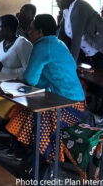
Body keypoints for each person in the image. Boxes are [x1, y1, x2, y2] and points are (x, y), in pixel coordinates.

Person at [6, 14, 85, 171]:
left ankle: (44, 160)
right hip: (75, 100)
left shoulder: (42, 45)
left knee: (36, 118)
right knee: (24, 112)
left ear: (40, 32)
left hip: (67, 104)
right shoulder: (58, 43)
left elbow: (30, 79)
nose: (28, 32)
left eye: (31, 29)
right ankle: (30, 155)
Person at [0, 14, 32, 128]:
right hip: (5, 89)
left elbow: (27, 72)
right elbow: (1, 66)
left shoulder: (23, 44)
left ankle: (12, 136)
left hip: (19, 91)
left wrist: (2, 68)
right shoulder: (1, 44)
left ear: (8, 29)